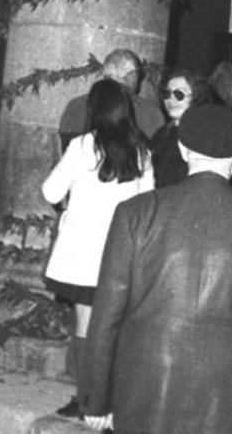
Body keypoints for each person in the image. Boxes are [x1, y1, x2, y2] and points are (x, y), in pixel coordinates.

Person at [80, 102, 232, 434]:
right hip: (230, 401)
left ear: (182, 149)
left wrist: (96, 398)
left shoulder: (135, 214)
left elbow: (106, 316)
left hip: (145, 391)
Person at [44, 78, 155, 419]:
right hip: (122, 253)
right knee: (115, 326)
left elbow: (50, 192)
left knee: (85, 323)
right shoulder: (142, 150)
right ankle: (111, 400)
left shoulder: (82, 146)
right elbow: (148, 203)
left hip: (82, 254)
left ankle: (86, 398)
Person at [59, 48, 165, 147]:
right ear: (132, 74)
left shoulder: (76, 105)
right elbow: (157, 153)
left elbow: (63, 145)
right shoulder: (150, 111)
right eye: (138, 74)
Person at [148, 67, 215, 188]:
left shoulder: (203, 136)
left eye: (179, 94)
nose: (170, 100)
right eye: (167, 94)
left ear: (196, 97)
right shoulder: (161, 134)